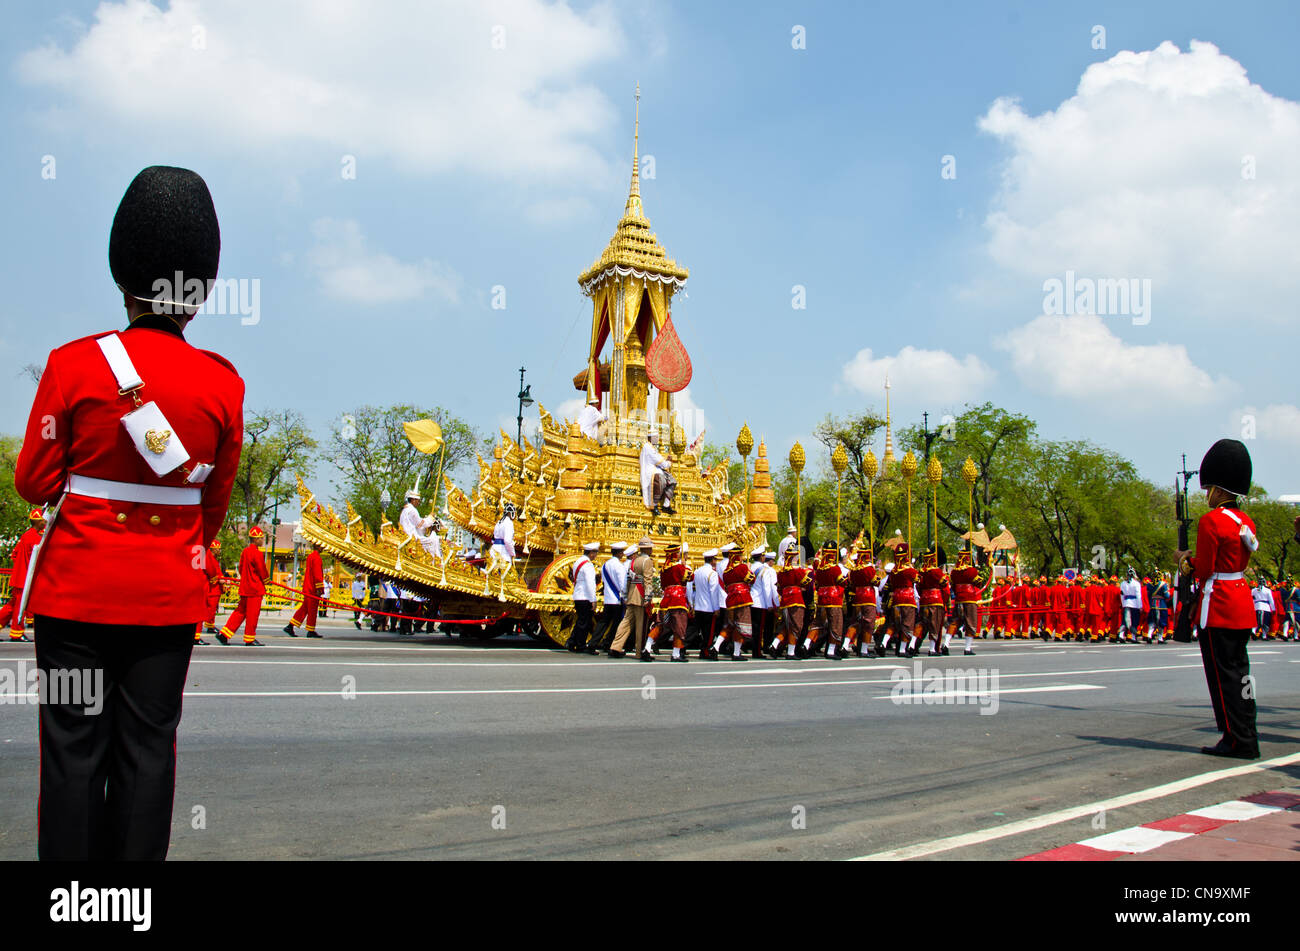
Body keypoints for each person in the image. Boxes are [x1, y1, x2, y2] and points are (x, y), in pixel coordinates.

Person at [13, 166, 243, 860]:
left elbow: (32, 482)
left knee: (72, 754)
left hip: (74, 598)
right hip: (165, 602)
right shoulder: (223, 384)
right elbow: (210, 508)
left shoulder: (73, 365)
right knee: (147, 755)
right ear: (197, 295)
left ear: (123, 277)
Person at [1178, 438, 1259, 759]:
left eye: (1209, 487)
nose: (1206, 492)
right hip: (1240, 602)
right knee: (1241, 674)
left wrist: (1184, 560)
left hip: (1219, 605)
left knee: (1223, 677)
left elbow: (1205, 569)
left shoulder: (1211, 521)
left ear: (1220, 490)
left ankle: (1236, 739)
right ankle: (1247, 734)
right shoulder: (1245, 521)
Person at [218, 526, 269, 646]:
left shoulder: (245, 552)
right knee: (252, 615)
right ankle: (249, 638)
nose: (262, 540)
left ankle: (224, 634)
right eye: (261, 538)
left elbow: (241, 568)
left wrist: (246, 578)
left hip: (245, 587)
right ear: (255, 539)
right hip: (255, 589)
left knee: (240, 612)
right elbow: (261, 569)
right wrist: (266, 581)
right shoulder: (257, 553)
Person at [1, 508, 45, 641]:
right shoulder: (35, 538)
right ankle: (16, 633)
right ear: (38, 522)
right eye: (43, 520)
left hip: (18, 576)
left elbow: (14, 555)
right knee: (20, 608)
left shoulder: (26, 535)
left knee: (12, 606)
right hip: (24, 579)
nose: (45, 522)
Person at [611, 537, 655, 660]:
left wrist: (625, 595)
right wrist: (647, 597)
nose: (652, 550)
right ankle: (640, 651)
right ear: (647, 549)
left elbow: (629, 579)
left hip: (631, 594)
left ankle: (616, 646)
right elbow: (648, 580)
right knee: (641, 624)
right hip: (640, 595)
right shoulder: (647, 561)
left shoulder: (634, 561)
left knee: (626, 622)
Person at [646, 542, 691, 662]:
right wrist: (685, 566)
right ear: (676, 555)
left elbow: (662, 585)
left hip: (666, 600)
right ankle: (676, 654)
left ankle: (647, 647)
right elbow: (690, 577)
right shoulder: (679, 567)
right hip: (678, 600)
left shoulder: (663, 569)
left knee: (660, 625)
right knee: (679, 627)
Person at [284, 540, 325, 638]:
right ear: (317, 546)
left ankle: (290, 626)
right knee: (312, 610)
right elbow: (317, 575)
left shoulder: (310, 556)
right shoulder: (317, 558)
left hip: (308, 587)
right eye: (321, 546)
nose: (323, 548)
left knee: (305, 609)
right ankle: (310, 630)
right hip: (313, 588)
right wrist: (319, 588)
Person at [594, 541, 628, 651]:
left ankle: (593, 642)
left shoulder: (605, 565)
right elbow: (622, 584)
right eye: (622, 552)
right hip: (617, 599)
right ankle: (608, 643)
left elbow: (604, 581)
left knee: (604, 622)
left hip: (608, 598)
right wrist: (625, 597)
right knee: (617, 623)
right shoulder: (619, 566)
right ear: (619, 553)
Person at [568, 541, 599, 653]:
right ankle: (580, 645)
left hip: (578, 595)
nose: (596, 555)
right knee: (584, 623)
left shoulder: (578, 562)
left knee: (581, 621)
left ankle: (572, 642)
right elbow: (591, 583)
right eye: (595, 553)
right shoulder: (588, 564)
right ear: (591, 553)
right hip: (585, 596)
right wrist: (593, 600)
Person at [691, 548, 723, 658]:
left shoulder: (697, 572)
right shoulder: (712, 574)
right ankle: (705, 651)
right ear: (712, 560)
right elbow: (714, 592)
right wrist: (716, 608)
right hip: (708, 607)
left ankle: (683, 647)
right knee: (709, 633)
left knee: (695, 630)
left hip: (698, 606)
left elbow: (693, 588)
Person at [195, 538, 225, 645]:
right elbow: (211, 569)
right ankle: (196, 636)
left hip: (197, 583)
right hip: (204, 585)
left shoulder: (196, 549)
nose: (219, 551)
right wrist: (214, 578)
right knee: (201, 610)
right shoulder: (205, 552)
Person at [638, 430, 675, 515]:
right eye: (656, 437)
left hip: (657, 469)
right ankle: (654, 505)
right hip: (650, 472)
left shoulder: (652, 447)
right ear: (651, 438)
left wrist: (667, 462)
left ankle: (666, 505)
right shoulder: (648, 447)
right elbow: (659, 461)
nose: (658, 439)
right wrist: (668, 462)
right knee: (660, 479)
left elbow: (659, 459)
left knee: (673, 481)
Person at [1119, 568, 1143, 643]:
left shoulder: (1123, 583)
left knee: (1124, 621)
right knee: (1134, 621)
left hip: (1126, 603)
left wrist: (1123, 604)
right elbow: (1138, 595)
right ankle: (1133, 637)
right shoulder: (1136, 584)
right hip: (1134, 604)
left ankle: (1121, 635)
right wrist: (1140, 606)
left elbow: (1122, 595)